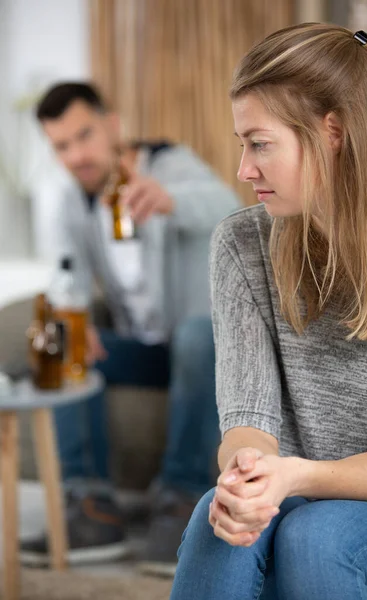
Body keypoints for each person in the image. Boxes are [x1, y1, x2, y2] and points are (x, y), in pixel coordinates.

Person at [170, 22, 367, 600]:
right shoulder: (242, 245)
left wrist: (296, 476)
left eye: (260, 143)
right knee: (216, 517)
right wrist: (249, 473)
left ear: (334, 132)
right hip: (293, 491)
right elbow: (247, 413)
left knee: (315, 537)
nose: (244, 169)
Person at [20, 82, 240, 575]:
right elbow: (67, 277)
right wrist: (70, 318)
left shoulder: (169, 163)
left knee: (195, 336)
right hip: (142, 349)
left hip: (196, 346)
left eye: (84, 136)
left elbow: (228, 205)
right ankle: (90, 506)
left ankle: (182, 501)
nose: (77, 155)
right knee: (60, 343)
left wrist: (170, 200)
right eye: (62, 146)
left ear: (112, 126)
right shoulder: (75, 203)